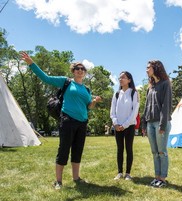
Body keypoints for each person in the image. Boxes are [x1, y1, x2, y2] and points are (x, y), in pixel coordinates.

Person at [20, 51, 102, 189]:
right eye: (77, 68)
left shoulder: (87, 89)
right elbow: (45, 78)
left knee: (77, 150)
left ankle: (76, 178)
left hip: (82, 123)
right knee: (64, 149)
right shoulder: (66, 82)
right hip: (68, 119)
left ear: (85, 72)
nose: (80, 70)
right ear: (73, 71)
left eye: (82, 69)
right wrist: (31, 64)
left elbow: (88, 107)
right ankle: (58, 181)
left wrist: (94, 102)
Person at [142, 60, 172, 188]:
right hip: (150, 124)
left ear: (156, 68)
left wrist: (162, 125)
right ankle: (157, 177)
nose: (146, 70)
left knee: (162, 152)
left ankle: (163, 178)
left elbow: (166, 105)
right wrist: (143, 125)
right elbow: (146, 106)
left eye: (148, 67)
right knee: (154, 152)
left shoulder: (165, 84)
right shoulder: (150, 87)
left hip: (161, 123)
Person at [110, 71, 139, 181]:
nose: (121, 79)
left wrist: (125, 125)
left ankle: (128, 173)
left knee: (129, 149)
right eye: (120, 78)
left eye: (123, 77)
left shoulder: (134, 93)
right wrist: (116, 123)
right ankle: (119, 172)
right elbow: (112, 111)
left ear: (129, 80)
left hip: (129, 126)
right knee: (119, 149)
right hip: (118, 127)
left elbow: (134, 111)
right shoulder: (116, 94)